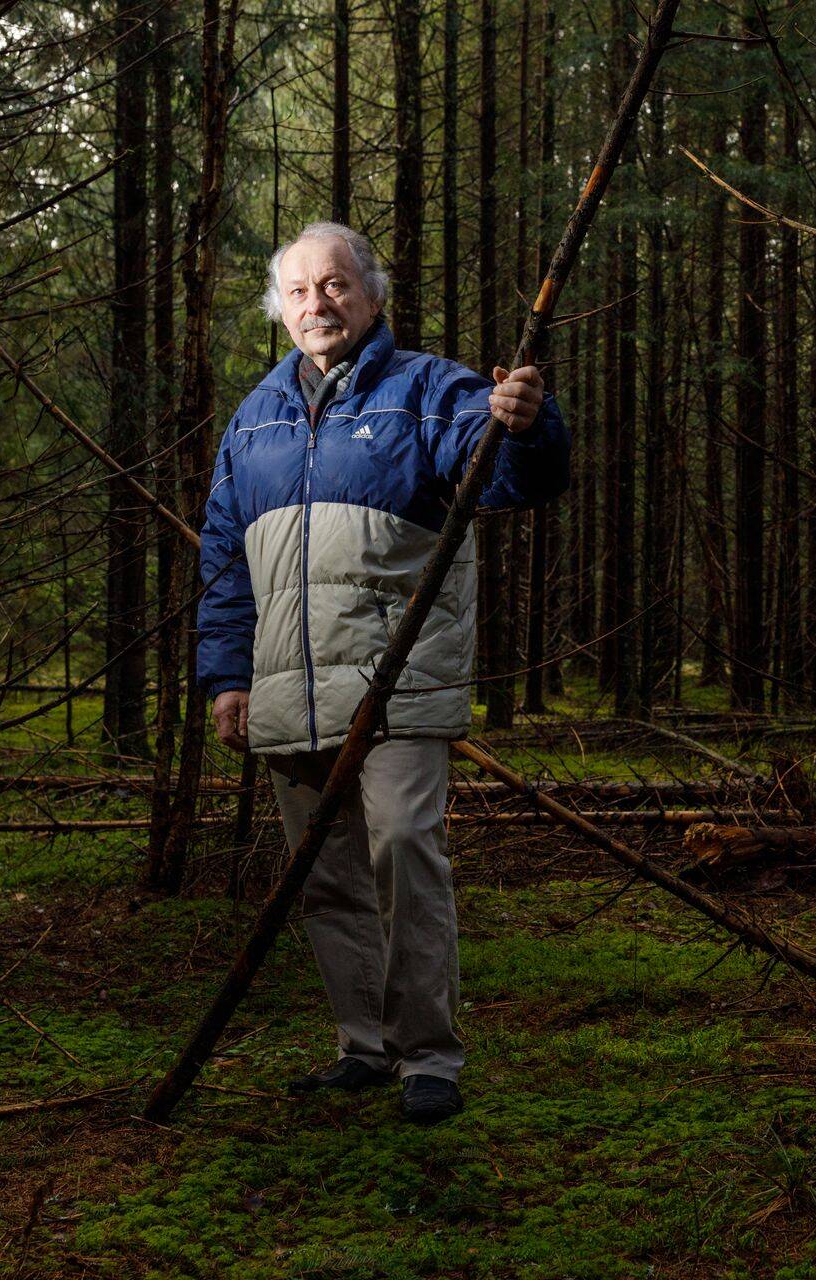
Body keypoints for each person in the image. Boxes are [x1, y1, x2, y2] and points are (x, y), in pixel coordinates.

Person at [195, 221, 569, 1124]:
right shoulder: (255, 419)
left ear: (371, 296)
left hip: (397, 688)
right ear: (280, 309)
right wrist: (226, 677)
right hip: (287, 687)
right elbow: (221, 557)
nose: (316, 303)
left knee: (403, 850)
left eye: (334, 286)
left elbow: (515, 478)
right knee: (324, 878)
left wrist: (527, 422)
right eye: (298, 291)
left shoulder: (431, 391)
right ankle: (362, 1046)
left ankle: (428, 1056)